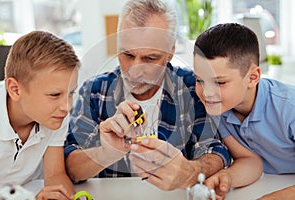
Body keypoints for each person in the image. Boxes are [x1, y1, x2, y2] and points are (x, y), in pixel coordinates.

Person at [64, 0, 234, 191]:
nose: (135, 72)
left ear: (170, 52)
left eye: (150, 58)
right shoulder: (94, 91)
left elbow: (216, 151)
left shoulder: (192, 88)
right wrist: (107, 153)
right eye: (127, 55)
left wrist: (189, 171)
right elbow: (71, 167)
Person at [193, 22, 295, 199]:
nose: (207, 93)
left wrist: (277, 197)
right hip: (269, 182)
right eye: (200, 80)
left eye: (219, 82)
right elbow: (250, 161)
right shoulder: (221, 109)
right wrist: (227, 177)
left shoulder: (289, 108)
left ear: (252, 78)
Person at [0, 31, 80, 199]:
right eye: (55, 95)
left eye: (71, 93)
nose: (67, 106)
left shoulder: (55, 114)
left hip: (27, 190)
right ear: (15, 89)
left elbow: (55, 174)